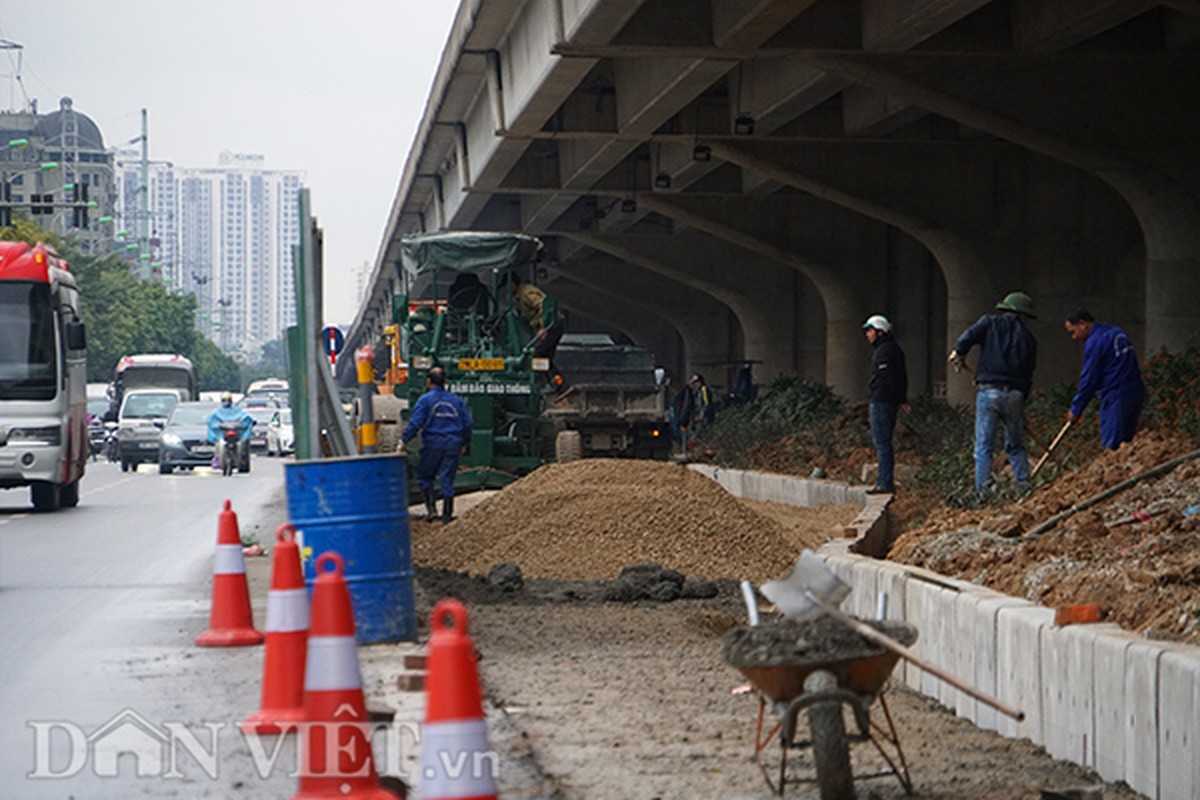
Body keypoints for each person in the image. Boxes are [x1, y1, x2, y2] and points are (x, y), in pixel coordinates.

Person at [949, 291, 1038, 493]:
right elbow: (1029, 373)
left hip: (989, 391)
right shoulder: (1029, 339)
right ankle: (1025, 485)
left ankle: (982, 492)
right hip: (1015, 395)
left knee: (983, 446)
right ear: (1023, 315)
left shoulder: (989, 323)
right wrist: (1021, 396)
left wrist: (960, 352)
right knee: (1015, 444)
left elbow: (967, 337)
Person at [1063, 308, 1145, 450]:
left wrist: (1076, 408)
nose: (1074, 337)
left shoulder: (1095, 342)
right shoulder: (1116, 332)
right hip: (1135, 392)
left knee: (1112, 446)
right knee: (1127, 444)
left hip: (1115, 395)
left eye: (1073, 331)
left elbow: (1089, 378)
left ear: (1083, 324)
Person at [402, 366, 473, 524]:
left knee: (425, 477)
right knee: (447, 479)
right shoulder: (457, 401)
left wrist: (405, 440)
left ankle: (431, 510)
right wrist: (465, 442)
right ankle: (447, 517)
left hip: (433, 444)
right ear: (445, 382)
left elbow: (416, 422)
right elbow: (468, 423)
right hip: (453, 444)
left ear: (428, 382)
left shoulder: (425, 400)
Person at [863, 314, 908, 494]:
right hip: (888, 400)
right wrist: (901, 398)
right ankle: (884, 481)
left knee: (882, 443)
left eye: (870, 331)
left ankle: (884, 482)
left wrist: (880, 394)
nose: (867, 335)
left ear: (879, 332)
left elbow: (886, 379)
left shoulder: (885, 351)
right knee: (883, 442)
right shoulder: (892, 349)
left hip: (882, 401)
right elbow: (902, 377)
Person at [505, 272, 566, 372]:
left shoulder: (526, 293)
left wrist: (543, 327)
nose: (507, 290)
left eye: (507, 286)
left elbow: (543, 304)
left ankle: (555, 382)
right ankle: (556, 383)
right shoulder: (519, 296)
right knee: (545, 356)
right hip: (550, 325)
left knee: (536, 355)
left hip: (551, 325)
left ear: (513, 284)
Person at [207, 392, 253, 469]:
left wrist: (245, 422)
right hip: (223, 434)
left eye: (227, 400)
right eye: (224, 400)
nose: (226, 402)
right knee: (218, 444)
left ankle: (241, 458)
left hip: (237, 434)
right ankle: (217, 459)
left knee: (243, 444)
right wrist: (217, 425)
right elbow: (212, 421)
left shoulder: (237, 410)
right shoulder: (218, 412)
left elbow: (245, 417)